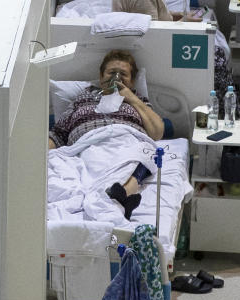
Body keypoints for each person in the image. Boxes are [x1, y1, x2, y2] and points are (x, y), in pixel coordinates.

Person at [48, 50, 164, 217]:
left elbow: (157, 133)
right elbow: (58, 134)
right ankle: (117, 196)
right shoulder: (82, 99)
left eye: (123, 74)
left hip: (126, 143)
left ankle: (124, 192)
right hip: (87, 147)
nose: (116, 77)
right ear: (101, 76)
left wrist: (130, 97)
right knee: (55, 163)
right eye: (111, 72)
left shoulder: (138, 101)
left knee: (146, 152)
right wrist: (41, 159)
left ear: (131, 82)